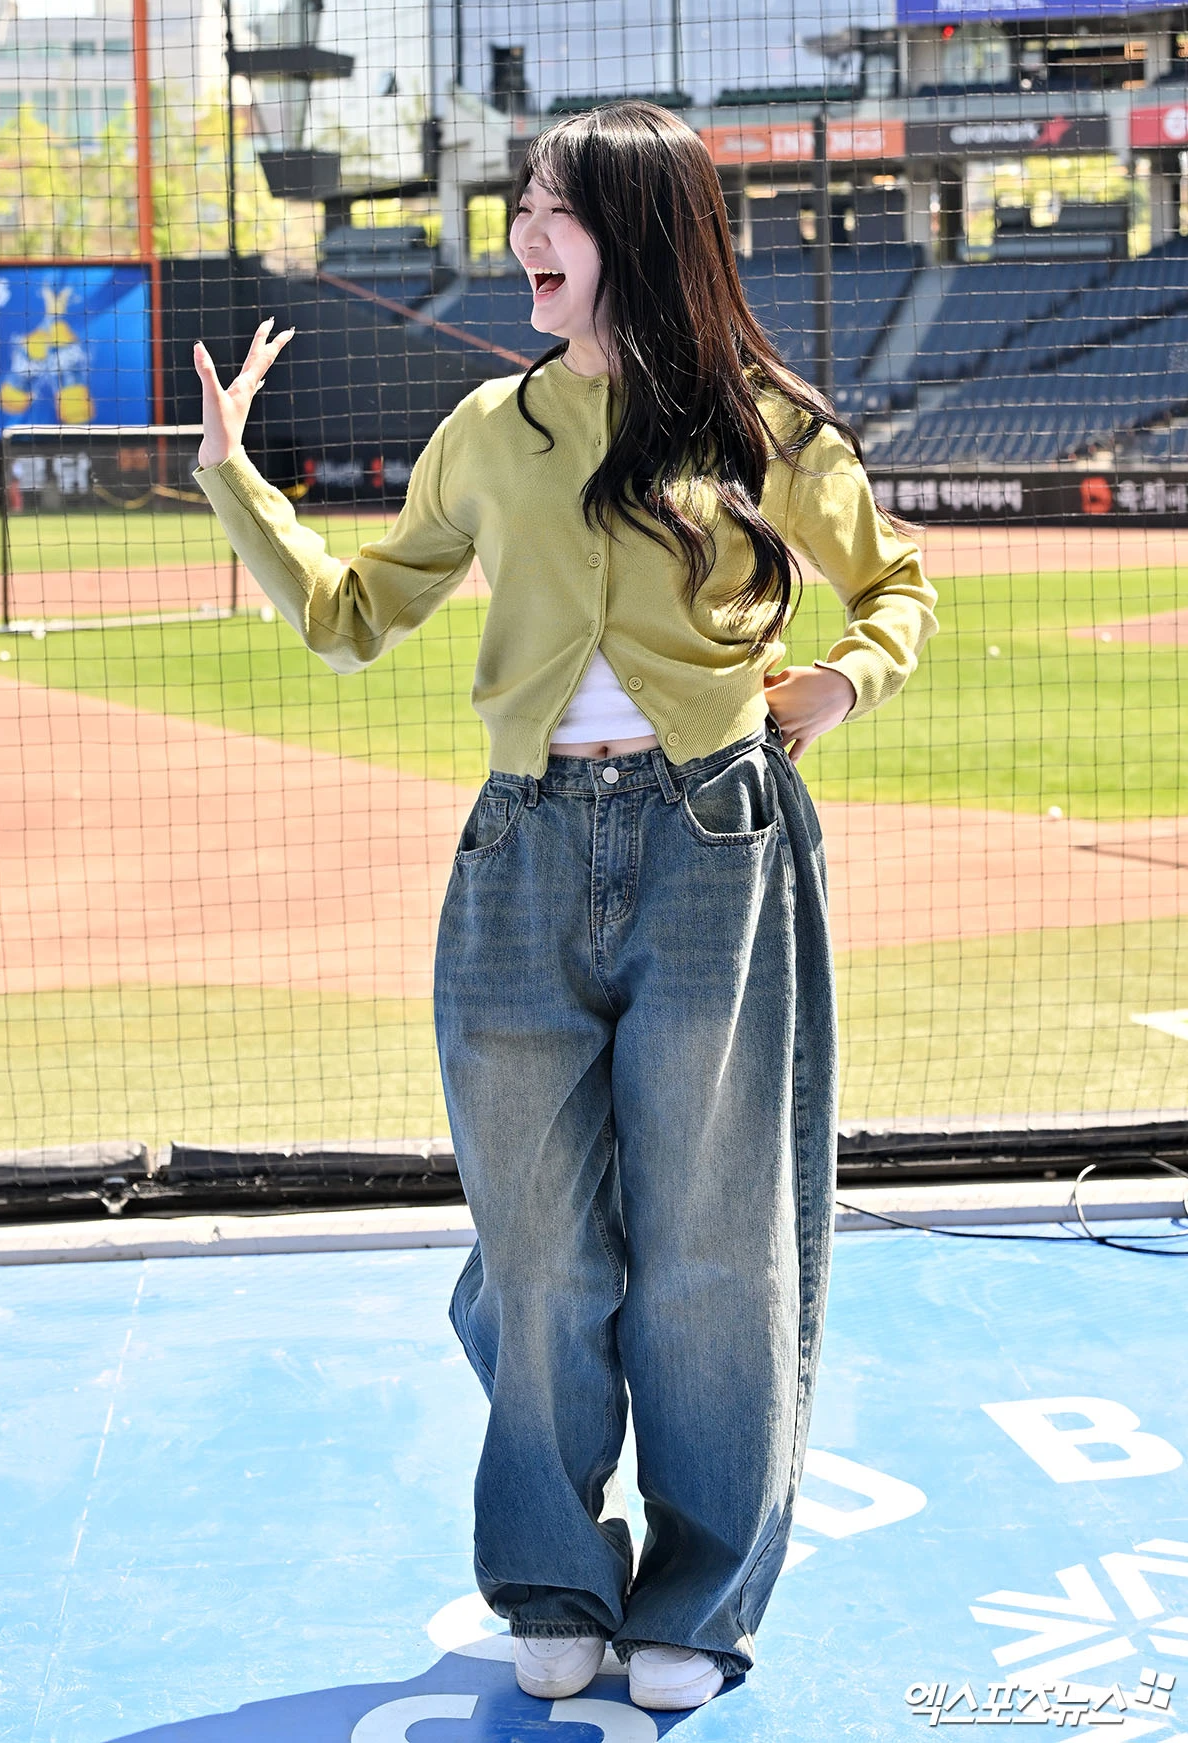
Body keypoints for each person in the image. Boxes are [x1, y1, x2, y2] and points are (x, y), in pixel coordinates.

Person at [193, 100, 937, 1713]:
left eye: (557, 206)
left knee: (712, 1251)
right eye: (523, 203)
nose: (525, 232)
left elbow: (895, 582)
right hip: (521, 858)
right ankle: (552, 1573)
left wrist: (843, 681)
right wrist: (233, 480)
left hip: (717, 847)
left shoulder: (764, 425)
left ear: (639, 232)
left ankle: (698, 1595)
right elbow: (352, 616)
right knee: (537, 1249)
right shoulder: (486, 429)